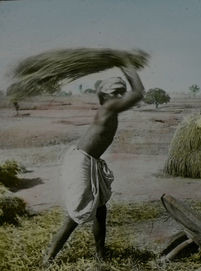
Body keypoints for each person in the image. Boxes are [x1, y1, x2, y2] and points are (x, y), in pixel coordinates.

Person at [43, 64, 145, 263]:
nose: (121, 96)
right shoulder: (108, 107)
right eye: (117, 92)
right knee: (77, 213)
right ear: (106, 95)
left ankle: (100, 256)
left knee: (100, 209)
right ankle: (48, 257)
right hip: (81, 161)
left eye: (122, 92)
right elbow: (139, 92)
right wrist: (127, 65)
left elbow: (135, 93)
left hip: (90, 161)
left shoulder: (110, 108)